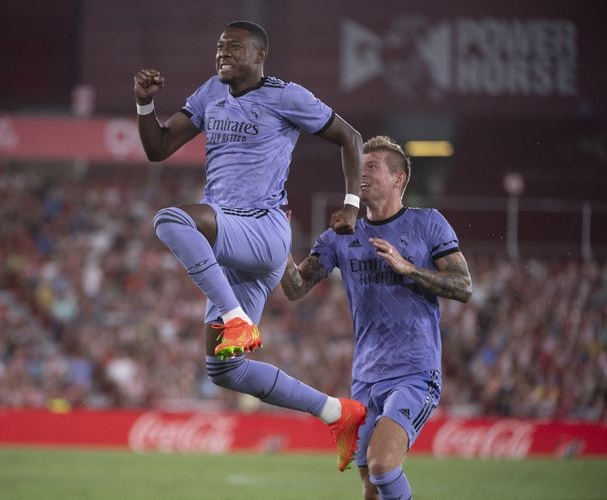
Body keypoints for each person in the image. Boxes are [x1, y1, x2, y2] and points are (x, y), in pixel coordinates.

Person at [133, 20, 366, 470]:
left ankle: (236, 317)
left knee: (172, 219)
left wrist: (352, 204)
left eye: (234, 47)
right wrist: (145, 106)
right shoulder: (209, 94)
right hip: (231, 243)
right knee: (224, 369)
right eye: (219, 46)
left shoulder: (287, 96)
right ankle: (338, 413)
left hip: (261, 230)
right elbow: (158, 148)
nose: (222, 53)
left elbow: (350, 138)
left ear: (259, 56)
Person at [280, 136, 473, 498]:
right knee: (371, 488)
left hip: (415, 371)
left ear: (398, 178)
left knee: (384, 465)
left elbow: (463, 286)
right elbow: (295, 287)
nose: (360, 173)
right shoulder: (340, 234)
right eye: (359, 167)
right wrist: (277, 244)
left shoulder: (428, 224)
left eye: (371, 166)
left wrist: (408, 268)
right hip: (366, 379)